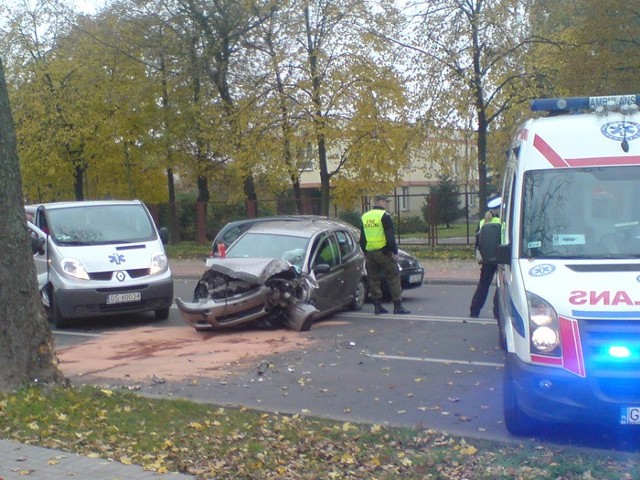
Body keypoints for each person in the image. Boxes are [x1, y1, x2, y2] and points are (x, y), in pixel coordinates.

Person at [360, 194, 410, 315]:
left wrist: (366, 251)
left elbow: (362, 238)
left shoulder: (365, 216)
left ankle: (377, 306)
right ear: (380, 202)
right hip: (383, 252)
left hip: (370, 252)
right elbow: (390, 236)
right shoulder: (384, 216)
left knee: (373, 279)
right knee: (393, 276)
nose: (387, 204)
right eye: (386, 202)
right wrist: (394, 251)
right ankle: (397, 306)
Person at [469, 196, 502, 318]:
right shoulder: (502, 221)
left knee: (483, 285)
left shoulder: (483, 222)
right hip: (501, 258)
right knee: (501, 286)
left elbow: (478, 242)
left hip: (487, 259)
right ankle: (497, 311)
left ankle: (474, 310)